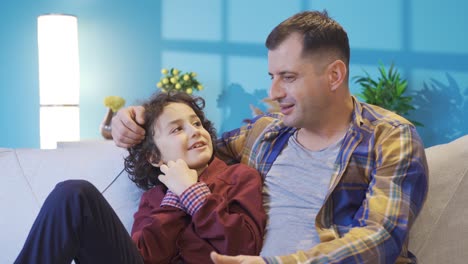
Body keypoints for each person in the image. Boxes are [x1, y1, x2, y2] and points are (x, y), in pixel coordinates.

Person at [112, 10, 428, 264]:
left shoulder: (389, 137)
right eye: (272, 77)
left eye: (288, 77)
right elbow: (188, 148)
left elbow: (380, 238)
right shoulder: (266, 133)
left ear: (334, 75)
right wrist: (135, 119)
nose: (274, 93)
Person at [15, 92, 266, 264]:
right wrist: (175, 198)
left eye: (197, 123)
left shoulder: (239, 177)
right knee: (72, 194)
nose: (195, 131)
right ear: (155, 158)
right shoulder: (155, 197)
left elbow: (244, 249)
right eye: (178, 129)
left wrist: (193, 194)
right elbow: (145, 258)